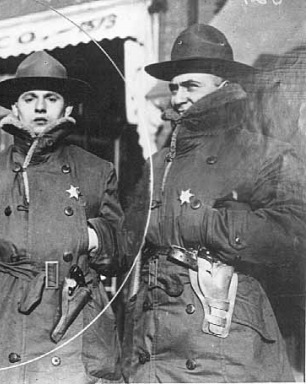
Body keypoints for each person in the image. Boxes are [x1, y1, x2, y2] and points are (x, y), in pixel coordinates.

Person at [121, 24, 306, 382]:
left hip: (222, 336)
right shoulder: (157, 165)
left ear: (224, 86)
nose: (178, 98)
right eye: (174, 88)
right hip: (154, 340)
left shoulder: (264, 153)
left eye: (191, 86)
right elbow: (127, 245)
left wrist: (204, 224)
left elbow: (293, 233)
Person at [0, 51, 124, 383]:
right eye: (30, 98)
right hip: (10, 316)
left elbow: (119, 253)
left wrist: (92, 236)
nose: (40, 107)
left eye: (51, 98)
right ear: (15, 107)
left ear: (66, 108)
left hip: (74, 312)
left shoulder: (96, 171)